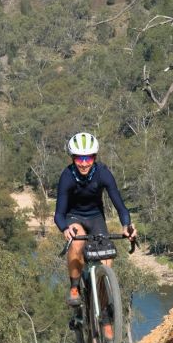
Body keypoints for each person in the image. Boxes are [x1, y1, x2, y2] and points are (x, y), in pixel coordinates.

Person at [54, 132, 137, 318]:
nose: (84, 163)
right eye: (79, 158)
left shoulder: (103, 173)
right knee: (77, 244)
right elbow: (59, 214)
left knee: (107, 261)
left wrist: (126, 225)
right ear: (73, 158)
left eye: (88, 157)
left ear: (95, 157)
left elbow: (121, 206)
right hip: (74, 217)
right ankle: (75, 287)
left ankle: (105, 313)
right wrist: (65, 228)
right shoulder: (67, 176)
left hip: (96, 218)